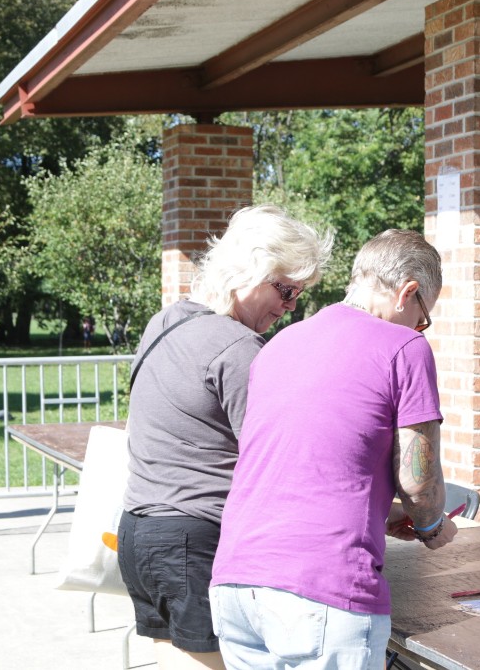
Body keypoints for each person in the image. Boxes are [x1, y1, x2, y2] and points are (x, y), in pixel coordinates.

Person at [209, 229, 457, 670]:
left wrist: (380, 512)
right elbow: (418, 482)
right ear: (408, 292)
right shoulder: (405, 347)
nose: (420, 329)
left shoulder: (280, 343)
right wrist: (431, 525)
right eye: (423, 317)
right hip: (324, 591)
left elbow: (301, 464)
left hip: (237, 582)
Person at [117, 205, 333, 670]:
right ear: (250, 270)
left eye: (299, 292)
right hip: (194, 539)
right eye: (286, 288)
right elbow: (277, 464)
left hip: (141, 529)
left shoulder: (167, 320)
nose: (292, 304)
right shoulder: (239, 348)